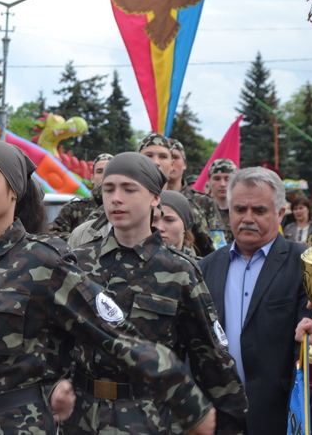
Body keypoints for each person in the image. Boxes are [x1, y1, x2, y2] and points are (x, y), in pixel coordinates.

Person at [0, 140, 216, 435]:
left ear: (13, 189)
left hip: (19, 425)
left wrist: (193, 407)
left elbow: (118, 337)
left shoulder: (44, 263)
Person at [66, 153, 246, 434]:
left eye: (129, 189)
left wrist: (230, 424)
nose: (115, 198)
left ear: (154, 198)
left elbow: (212, 360)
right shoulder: (78, 263)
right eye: (109, 188)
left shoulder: (179, 269)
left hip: (151, 418)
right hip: (82, 418)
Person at [199, 167, 312, 435]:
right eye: (239, 209)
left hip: (281, 416)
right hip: (219, 417)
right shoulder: (206, 267)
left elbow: (307, 356)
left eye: (258, 211)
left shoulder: (305, 264)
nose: (247, 218)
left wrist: (304, 419)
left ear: (280, 213)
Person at [50, 153, 113, 241]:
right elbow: (53, 236)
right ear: (92, 178)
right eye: (99, 171)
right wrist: (79, 239)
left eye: (109, 171)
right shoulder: (73, 208)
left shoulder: (124, 207)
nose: (104, 175)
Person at [153, 190, 197, 255]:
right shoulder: (135, 262)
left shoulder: (198, 264)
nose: (159, 228)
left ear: (185, 225)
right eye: (154, 220)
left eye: (169, 220)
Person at [206, 158, 237, 247]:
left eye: (227, 178)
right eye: (217, 178)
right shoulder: (200, 210)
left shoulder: (244, 211)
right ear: (209, 181)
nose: (222, 184)